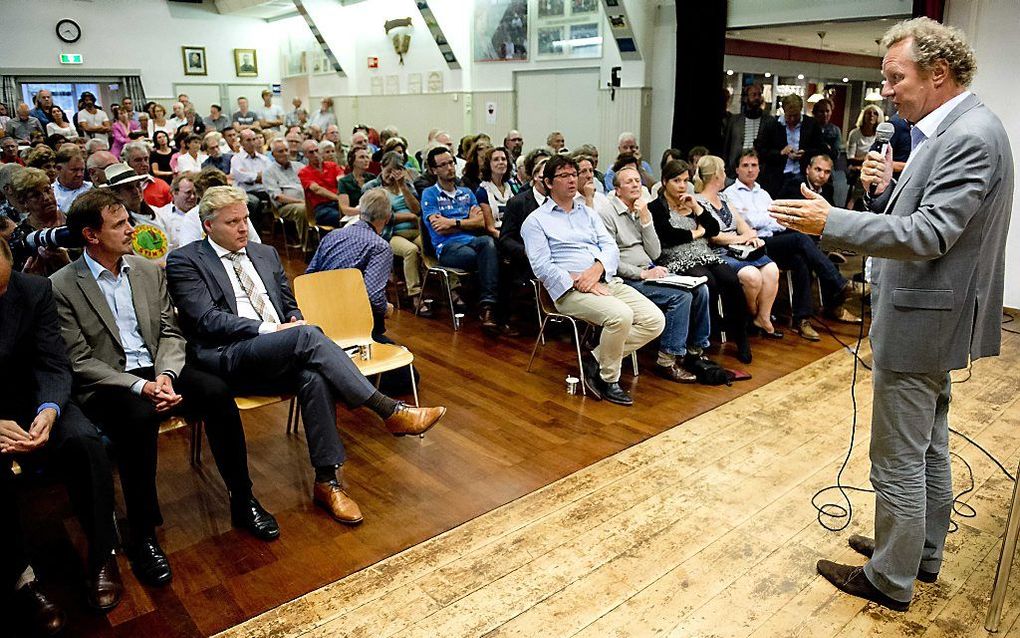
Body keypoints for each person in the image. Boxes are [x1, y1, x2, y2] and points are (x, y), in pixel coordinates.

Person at [769, 17, 1014, 612]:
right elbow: (931, 214)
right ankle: (918, 553)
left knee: (898, 454)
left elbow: (931, 233)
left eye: (894, 77)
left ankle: (890, 578)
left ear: (938, 73)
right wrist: (892, 187)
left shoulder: (967, 136)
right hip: (933, 314)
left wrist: (833, 223)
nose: (885, 90)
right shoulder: (955, 130)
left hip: (924, 319)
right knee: (927, 445)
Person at [165, 185, 447, 524]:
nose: (243, 227)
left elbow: (288, 305)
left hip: (280, 349)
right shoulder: (185, 260)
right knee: (307, 337)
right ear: (208, 225)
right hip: (229, 356)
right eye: (232, 222)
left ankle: (328, 482)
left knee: (313, 374)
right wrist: (273, 330)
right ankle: (388, 410)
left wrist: (292, 320)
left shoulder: (264, 253)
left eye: (245, 219)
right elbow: (206, 320)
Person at [52, 189, 279, 593]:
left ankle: (243, 498)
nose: (131, 228)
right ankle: (143, 533)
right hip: (111, 380)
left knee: (215, 392)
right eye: (119, 224)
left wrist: (167, 377)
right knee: (137, 419)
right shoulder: (62, 285)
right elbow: (81, 360)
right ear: (91, 235)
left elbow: (171, 333)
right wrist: (142, 387)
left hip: (161, 368)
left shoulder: (146, 270)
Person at [0, 237, 121, 631]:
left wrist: (49, 410)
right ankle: (22, 578)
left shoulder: (33, 288)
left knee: (86, 443)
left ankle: (103, 552)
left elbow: (54, 361)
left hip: (35, 398)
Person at [523, 155, 665, 405]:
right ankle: (609, 378)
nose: (571, 180)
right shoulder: (536, 221)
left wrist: (597, 269)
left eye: (573, 175)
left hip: (602, 280)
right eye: (564, 176)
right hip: (569, 291)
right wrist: (579, 280)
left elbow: (610, 246)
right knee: (620, 316)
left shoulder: (587, 213)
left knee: (655, 321)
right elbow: (542, 267)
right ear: (548, 182)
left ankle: (595, 359)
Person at [724, 149, 859, 341]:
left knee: (800, 258)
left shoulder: (762, 193)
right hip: (752, 245)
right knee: (800, 239)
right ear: (736, 169)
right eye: (745, 165)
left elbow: (778, 220)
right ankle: (837, 282)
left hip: (772, 240)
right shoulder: (730, 194)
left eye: (754, 165)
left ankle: (801, 320)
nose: (750, 170)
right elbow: (749, 222)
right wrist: (764, 218)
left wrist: (764, 219)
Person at [598, 165, 710, 383]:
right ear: (617, 189)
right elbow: (610, 261)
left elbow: (655, 252)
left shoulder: (641, 210)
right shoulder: (607, 214)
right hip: (627, 279)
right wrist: (642, 274)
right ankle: (667, 360)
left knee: (701, 289)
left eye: (637, 181)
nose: (635, 185)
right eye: (628, 181)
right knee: (681, 297)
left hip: (650, 270)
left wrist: (646, 220)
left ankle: (694, 351)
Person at [650, 159, 751, 363]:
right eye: (676, 181)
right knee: (708, 282)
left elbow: (713, 229)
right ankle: (702, 338)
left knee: (732, 279)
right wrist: (697, 232)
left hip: (704, 254)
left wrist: (696, 207)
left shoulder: (691, 202)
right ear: (664, 182)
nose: (681, 186)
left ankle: (741, 337)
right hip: (675, 258)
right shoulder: (655, 207)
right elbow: (669, 236)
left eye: (685, 181)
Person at [696, 155, 781, 341]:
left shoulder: (724, 197)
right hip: (719, 252)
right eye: (723, 170)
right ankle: (750, 313)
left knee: (772, 270)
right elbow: (712, 237)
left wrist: (751, 235)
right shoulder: (699, 202)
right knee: (752, 276)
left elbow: (740, 222)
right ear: (716, 176)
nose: (726, 174)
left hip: (741, 246)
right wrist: (742, 237)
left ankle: (762, 318)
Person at [421, 146, 500, 332]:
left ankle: (487, 306)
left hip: (472, 242)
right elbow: (438, 227)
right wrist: (467, 221)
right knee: (489, 256)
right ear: (434, 170)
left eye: (451, 163)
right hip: (447, 248)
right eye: (443, 165)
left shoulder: (467, 192)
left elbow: (481, 223)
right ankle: (490, 309)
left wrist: (453, 222)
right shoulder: (429, 194)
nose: (449, 167)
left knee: (489, 243)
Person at [307, 188, 397, 337]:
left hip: (318, 315)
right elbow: (373, 296)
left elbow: (309, 275)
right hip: (353, 324)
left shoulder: (333, 235)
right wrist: (386, 308)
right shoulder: (380, 246)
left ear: (360, 211)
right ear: (387, 218)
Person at [100, 162, 173, 266]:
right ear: (115, 193)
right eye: (129, 188)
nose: (136, 191)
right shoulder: (113, 224)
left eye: (138, 185)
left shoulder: (159, 213)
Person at [754, 93, 826, 198]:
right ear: (783, 111)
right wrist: (781, 153)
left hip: (803, 176)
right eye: (789, 115)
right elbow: (761, 151)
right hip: (776, 177)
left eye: (796, 115)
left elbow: (820, 149)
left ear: (801, 110)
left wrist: (806, 153)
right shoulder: (772, 125)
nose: (792, 119)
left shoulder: (811, 125)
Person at [10, 167, 71, 275]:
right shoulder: (21, 238)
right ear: (24, 202)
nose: (46, 198)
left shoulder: (74, 220)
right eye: (36, 195)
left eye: (48, 190)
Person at [263, 138, 308, 243]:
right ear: (273, 154)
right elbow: (279, 197)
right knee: (303, 209)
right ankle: (307, 246)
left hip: (306, 201)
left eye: (286, 150)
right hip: (285, 206)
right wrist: (301, 202)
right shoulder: (269, 173)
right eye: (280, 151)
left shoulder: (300, 166)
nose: (285, 153)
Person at [229, 129, 273, 227]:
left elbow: (270, 176)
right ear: (241, 142)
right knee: (253, 202)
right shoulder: (237, 159)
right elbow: (242, 177)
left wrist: (252, 176)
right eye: (248, 140)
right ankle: (255, 232)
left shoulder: (264, 159)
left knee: (277, 197)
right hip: (245, 192)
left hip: (263, 190)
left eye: (254, 139)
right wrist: (258, 176)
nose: (252, 143)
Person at [722, 82, 768, 175]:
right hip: (734, 169)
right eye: (753, 95)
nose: (757, 98)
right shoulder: (734, 121)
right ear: (745, 98)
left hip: (760, 170)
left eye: (759, 95)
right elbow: (727, 146)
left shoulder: (769, 121)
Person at [845, 104, 885, 210]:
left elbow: (882, 157)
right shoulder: (855, 133)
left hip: (874, 168)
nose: (871, 116)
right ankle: (852, 203)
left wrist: (866, 158)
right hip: (855, 168)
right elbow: (850, 158)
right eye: (868, 113)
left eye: (875, 113)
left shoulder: (880, 136)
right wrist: (868, 158)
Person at [298, 139, 344, 226]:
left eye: (316, 150)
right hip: (322, 208)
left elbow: (341, 180)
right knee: (340, 218)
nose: (315, 155)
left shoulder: (332, 165)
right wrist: (338, 198)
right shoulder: (304, 172)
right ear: (305, 155)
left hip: (339, 203)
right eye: (311, 152)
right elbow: (317, 190)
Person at [476, 146, 518, 238]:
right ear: (488, 164)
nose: (501, 162)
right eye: (496, 160)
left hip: (515, 230)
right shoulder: (482, 191)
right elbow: (490, 228)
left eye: (503, 159)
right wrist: (507, 239)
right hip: (497, 235)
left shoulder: (512, 186)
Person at [123, 141, 172, 208]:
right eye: (138, 160)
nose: (144, 164)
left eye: (146, 159)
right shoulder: (122, 188)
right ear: (127, 163)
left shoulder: (162, 185)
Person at [51, 145, 92, 213]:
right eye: (74, 170)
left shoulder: (91, 189)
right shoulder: (51, 194)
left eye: (82, 170)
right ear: (58, 168)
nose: (80, 174)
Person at [338, 146, 374, 218]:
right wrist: (366, 212)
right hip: (353, 216)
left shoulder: (372, 178)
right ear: (353, 161)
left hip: (373, 217)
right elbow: (345, 209)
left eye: (367, 157)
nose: (366, 160)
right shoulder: (344, 182)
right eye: (362, 157)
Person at [813, 98, 844, 166]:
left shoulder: (835, 130)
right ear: (816, 113)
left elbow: (835, 154)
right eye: (821, 111)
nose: (825, 114)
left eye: (827, 111)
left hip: (829, 165)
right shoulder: (809, 128)